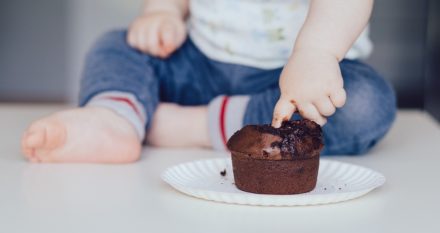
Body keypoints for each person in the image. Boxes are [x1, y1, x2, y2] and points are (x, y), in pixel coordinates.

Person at [21, 0, 396, 163]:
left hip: (291, 89)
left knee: (365, 103)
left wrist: (316, 52)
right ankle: (114, 117)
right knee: (117, 44)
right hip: (198, 64)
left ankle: (177, 124)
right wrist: (162, 12)